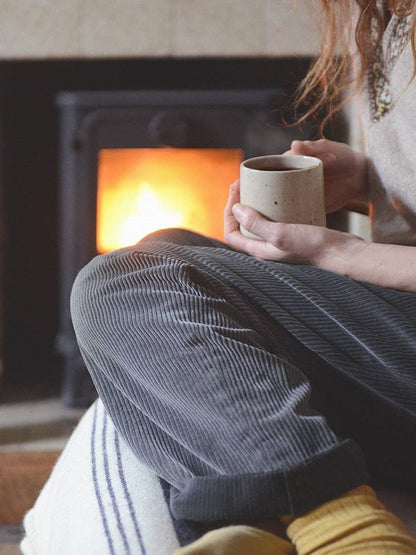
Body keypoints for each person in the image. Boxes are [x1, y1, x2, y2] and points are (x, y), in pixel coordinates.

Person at [70, 0, 416, 553]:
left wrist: (339, 251)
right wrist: (368, 185)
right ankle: (273, 519)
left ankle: (351, 534)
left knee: (126, 283)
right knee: (162, 256)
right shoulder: (386, 17)